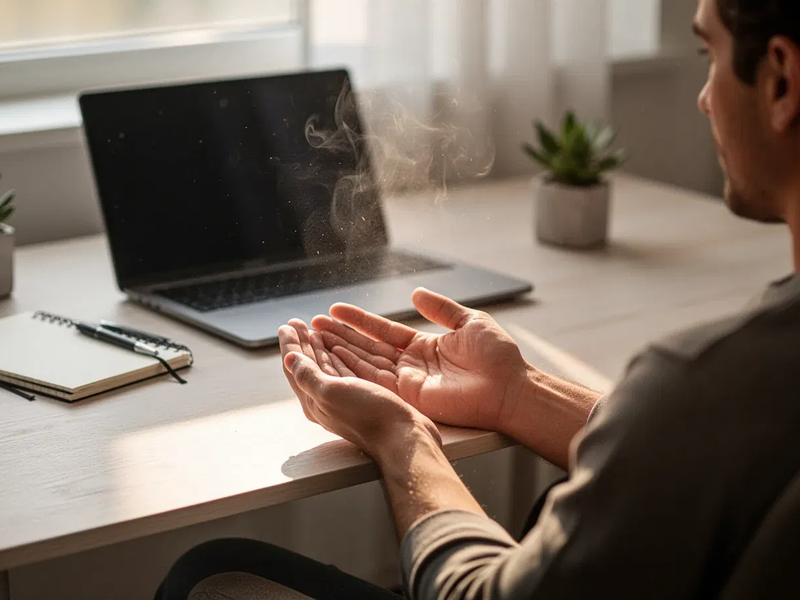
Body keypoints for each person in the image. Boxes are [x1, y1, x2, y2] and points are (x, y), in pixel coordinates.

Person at [156, 0, 800, 598]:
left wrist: (400, 436)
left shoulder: (705, 380)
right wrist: (517, 394)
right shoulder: (736, 391)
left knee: (206, 574)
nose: (704, 97)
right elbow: (697, 455)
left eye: (708, 55)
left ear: (780, 80)